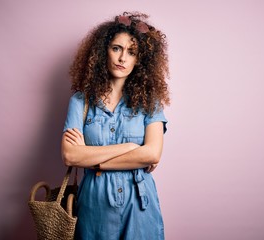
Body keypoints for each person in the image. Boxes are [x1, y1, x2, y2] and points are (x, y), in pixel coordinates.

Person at [61, 11, 170, 240]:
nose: (122, 58)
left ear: (139, 60)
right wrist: (130, 148)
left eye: (131, 52)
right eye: (116, 48)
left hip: (139, 206)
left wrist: (94, 161)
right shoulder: (81, 101)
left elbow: (152, 153)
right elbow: (70, 155)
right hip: (94, 205)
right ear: (104, 51)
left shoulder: (149, 102)